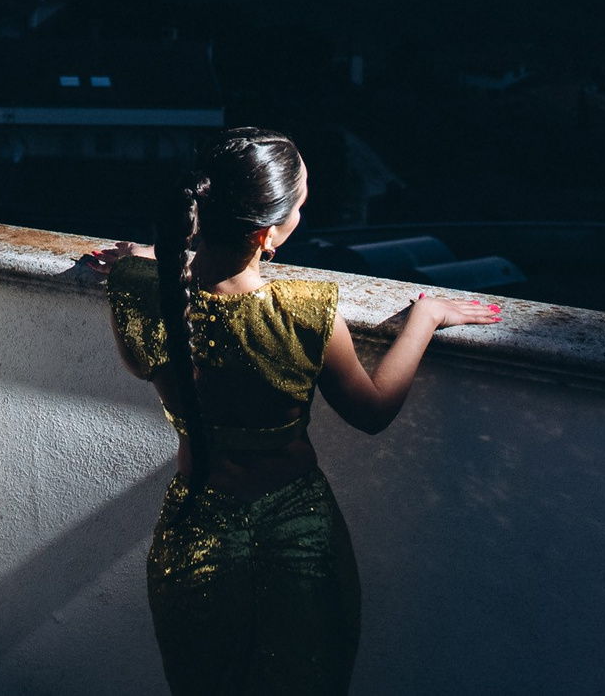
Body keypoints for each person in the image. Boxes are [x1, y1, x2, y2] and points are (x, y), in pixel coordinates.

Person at [82, 132, 499, 696]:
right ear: (266, 233)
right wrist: (425, 318)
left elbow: (149, 266)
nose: (303, 213)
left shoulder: (141, 295)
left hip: (195, 531)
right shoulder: (304, 313)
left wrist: (145, 257)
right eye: (299, 207)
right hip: (297, 529)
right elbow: (372, 412)